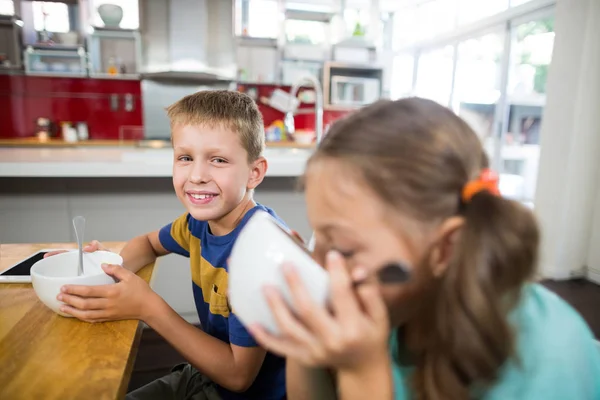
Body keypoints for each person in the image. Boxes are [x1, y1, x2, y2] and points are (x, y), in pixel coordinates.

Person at [247, 98, 600, 399]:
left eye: (341, 247)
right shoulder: (389, 305)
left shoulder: (550, 360)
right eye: (316, 239)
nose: (320, 263)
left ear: (446, 248)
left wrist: (363, 375)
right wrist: (307, 341)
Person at [49, 90, 287, 400]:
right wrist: (106, 272)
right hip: (206, 376)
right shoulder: (197, 224)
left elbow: (238, 376)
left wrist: (148, 307)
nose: (197, 176)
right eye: (185, 158)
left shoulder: (260, 256)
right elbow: (147, 244)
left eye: (218, 160)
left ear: (255, 172)